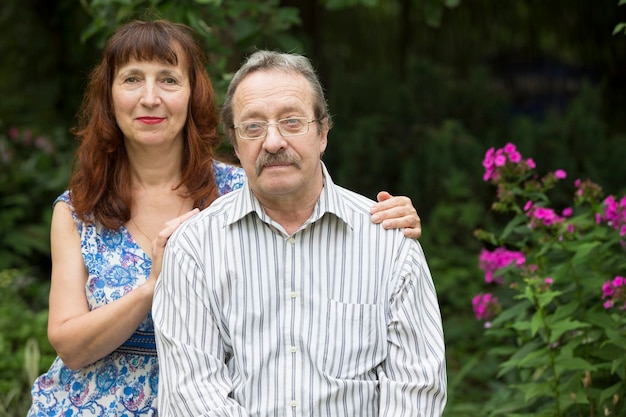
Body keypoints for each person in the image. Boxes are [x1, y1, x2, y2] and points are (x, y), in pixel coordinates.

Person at [27, 21, 423, 416]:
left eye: (168, 79)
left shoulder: (244, 188)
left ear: (193, 93)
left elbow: (313, 222)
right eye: (132, 79)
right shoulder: (80, 210)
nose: (150, 98)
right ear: (109, 96)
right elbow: (70, 346)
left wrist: (385, 220)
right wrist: (154, 285)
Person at [153, 50, 447, 416]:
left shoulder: (387, 241)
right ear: (235, 140)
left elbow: (416, 389)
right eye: (254, 126)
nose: (273, 142)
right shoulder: (194, 249)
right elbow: (192, 393)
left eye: (292, 122)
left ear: (322, 132)